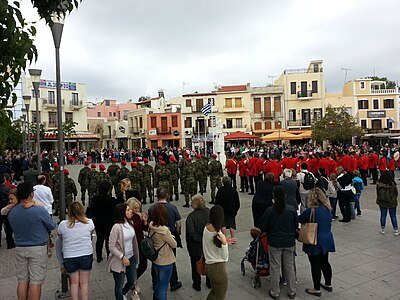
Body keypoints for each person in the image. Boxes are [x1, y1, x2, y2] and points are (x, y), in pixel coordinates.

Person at [8, 181, 57, 300]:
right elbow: (52, 225)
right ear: (31, 194)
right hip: (37, 248)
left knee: (22, 280)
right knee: (35, 281)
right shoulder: (39, 211)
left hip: (20, 247)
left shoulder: (13, 212)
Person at [260, 186, 297, 300]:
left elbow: (263, 227)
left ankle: (275, 291)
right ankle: (291, 290)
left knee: (275, 267)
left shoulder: (270, 210)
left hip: (275, 242)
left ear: (274, 196)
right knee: (289, 265)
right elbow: (296, 225)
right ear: (285, 196)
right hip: (289, 241)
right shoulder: (291, 209)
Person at [298, 188, 335, 297]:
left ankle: (316, 288)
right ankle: (328, 283)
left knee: (315, 264)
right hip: (327, 237)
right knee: (325, 262)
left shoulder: (311, 211)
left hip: (314, 239)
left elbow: (299, 219)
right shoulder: (328, 209)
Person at [57, 202, 94, 300]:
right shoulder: (89, 222)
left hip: (69, 256)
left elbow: (60, 238)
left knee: (73, 283)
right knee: (84, 282)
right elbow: (90, 235)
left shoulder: (63, 224)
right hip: (86, 254)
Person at [148, 187, 183, 292]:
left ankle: (155, 282)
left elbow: (149, 224)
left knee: (155, 259)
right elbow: (178, 223)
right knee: (171, 260)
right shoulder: (172, 208)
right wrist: (177, 232)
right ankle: (173, 282)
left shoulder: (151, 208)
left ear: (157, 196)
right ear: (167, 195)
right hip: (169, 235)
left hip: (156, 237)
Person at [107, 202, 140, 300]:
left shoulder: (130, 223)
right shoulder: (116, 227)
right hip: (119, 260)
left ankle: (123, 293)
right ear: (122, 212)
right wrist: (122, 256)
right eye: (128, 210)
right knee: (119, 284)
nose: (131, 211)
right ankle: (120, 296)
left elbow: (134, 241)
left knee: (132, 280)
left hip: (131, 257)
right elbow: (111, 246)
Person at [202, 205, 236, 300]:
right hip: (218, 269)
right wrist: (224, 243)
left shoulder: (207, 228)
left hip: (209, 266)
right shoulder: (218, 234)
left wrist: (224, 240)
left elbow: (212, 244)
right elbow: (225, 257)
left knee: (214, 292)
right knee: (220, 296)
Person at [149, 204, 178, 300]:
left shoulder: (151, 225)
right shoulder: (164, 230)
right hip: (165, 261)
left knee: (158, 284)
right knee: (163, 288)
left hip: (156, 259)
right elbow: (174, 244)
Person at [185, 195, 211, 291]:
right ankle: (209, 282)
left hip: (195, 246)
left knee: (195, 264)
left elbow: (190, 232)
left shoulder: (191, 216)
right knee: (208, 262)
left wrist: (199, 239)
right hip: (208, 245)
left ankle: (197, 284)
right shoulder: (210, 213)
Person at [126, 197, 148, 297]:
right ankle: (133, 286)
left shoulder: (138, 216)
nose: (137, 210)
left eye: (138, 208)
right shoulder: (126, 218)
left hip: (140, 242)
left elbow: (144, 228)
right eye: (135, 208)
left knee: (143, 265)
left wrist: (144, 221)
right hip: (131, 245)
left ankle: (134, 280)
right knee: (133, 266)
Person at [91, 181, 119, 263]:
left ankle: (99, 256)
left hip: (98, 221)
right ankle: (109, 255)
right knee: (108, 239)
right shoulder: (112, 200)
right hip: (109, 222)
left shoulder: (95, 199)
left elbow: (92, 210)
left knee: (99, 239)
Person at [376, 170, 399, 235]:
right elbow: (396, 193)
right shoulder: (392, 184)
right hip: (392, 202)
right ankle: (396, 230)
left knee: (383, 215)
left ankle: (382, 229)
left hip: (382, 201)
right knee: (393, 216)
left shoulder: (379, 185)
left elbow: (378, 193)